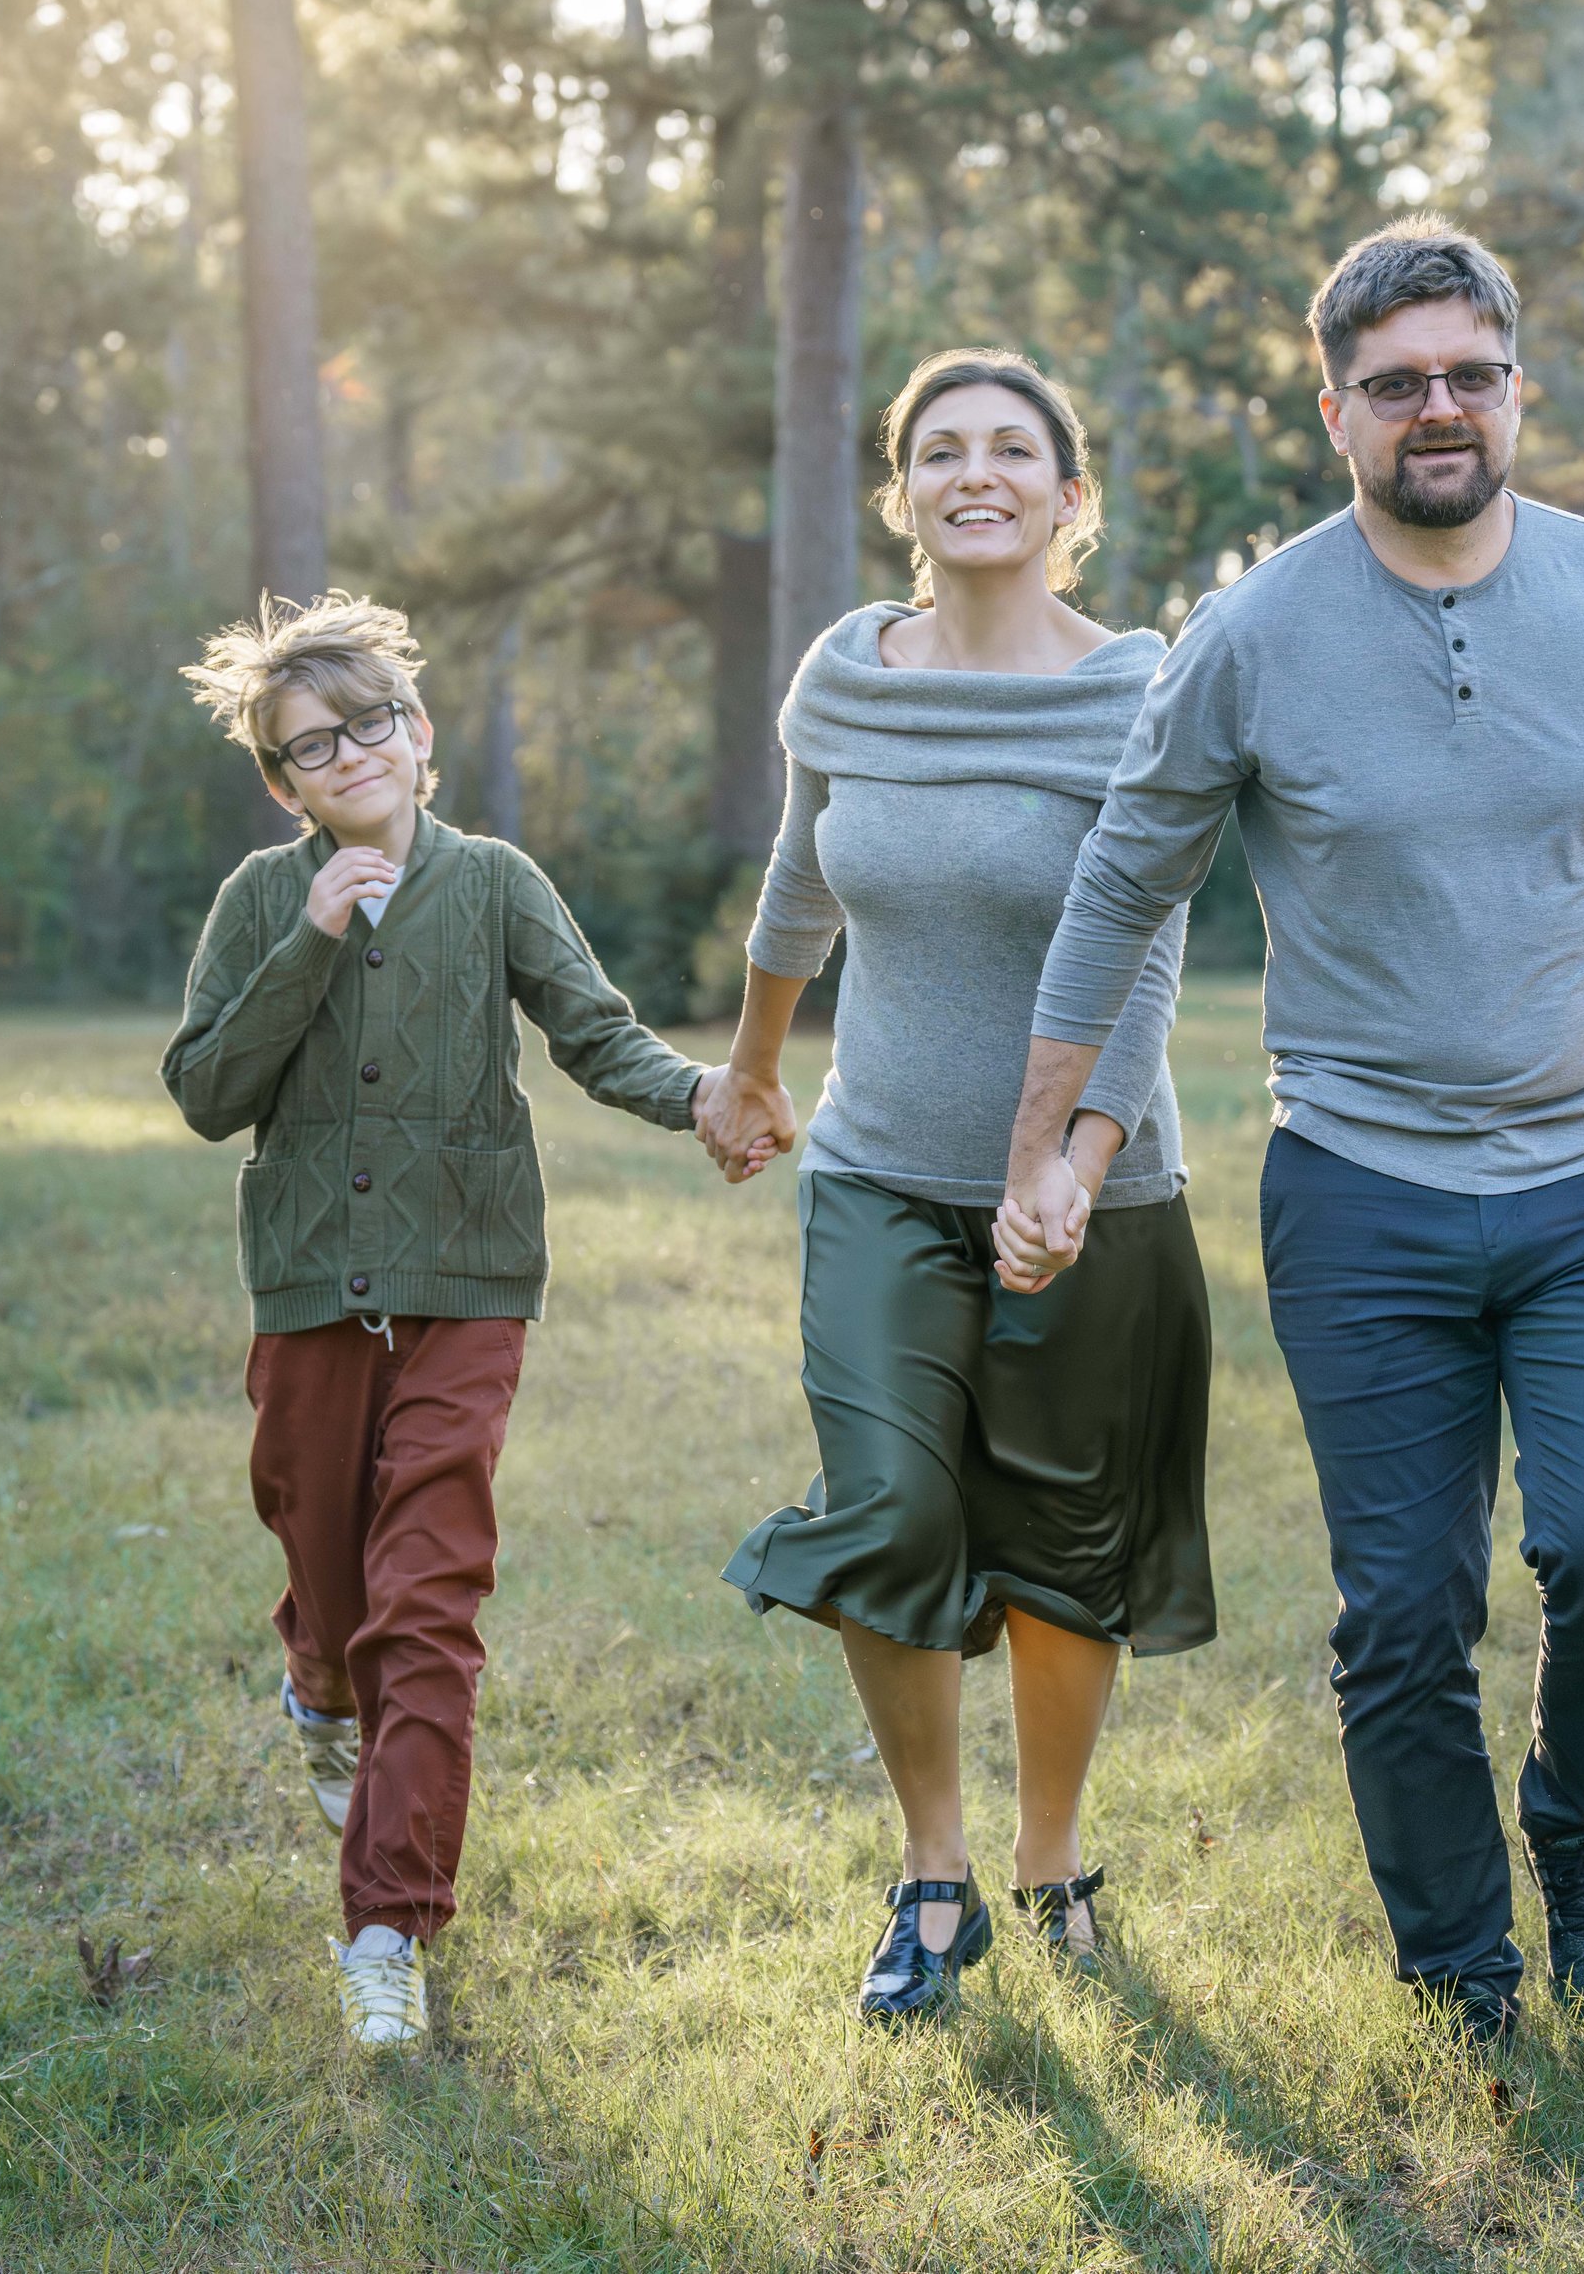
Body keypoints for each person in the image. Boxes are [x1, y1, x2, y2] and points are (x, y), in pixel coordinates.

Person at [995, 217, 1584, 2048]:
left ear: (1516, 388)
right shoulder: (1252, 636)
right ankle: (1462, 1971)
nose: (1440, 410)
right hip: (1365, 1187)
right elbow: (1120, 891)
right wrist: (1045, 1146)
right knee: (1402, 1613)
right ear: (1338, 411)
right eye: (1397, 385)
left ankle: (1581, 1828)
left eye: (1471, 374)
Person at [696, 349, 1213, 2028]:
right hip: (878, 1177)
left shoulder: (1141, 684)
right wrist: (760, 1066)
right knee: (894, 1512)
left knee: (1068, 1546)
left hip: (1094, 1195)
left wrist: (1076, 1160)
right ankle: (932, 1871)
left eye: (1014, 448)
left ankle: (1050, 1858)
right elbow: (799, 881)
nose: (973, 471)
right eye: (939, 450)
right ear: (899, 492)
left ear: (1074, 496)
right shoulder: (847, 672)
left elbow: (1146, 944)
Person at [165, 594, 717, 2049]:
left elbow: (594, 1033)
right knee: (334, 1591)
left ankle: (386, 1928)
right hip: (309, 1295)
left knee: (429, 1605)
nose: (344, 756)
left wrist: (708, 1098)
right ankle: (315, 1689)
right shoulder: (257, 900)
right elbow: (207, 1092)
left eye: (367, 727)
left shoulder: (495, 881)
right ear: (282, 784)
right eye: (307, 748)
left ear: (417, 739)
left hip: (468, 1287)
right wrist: (310, 939)